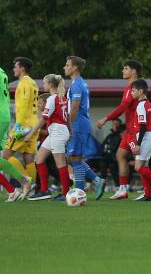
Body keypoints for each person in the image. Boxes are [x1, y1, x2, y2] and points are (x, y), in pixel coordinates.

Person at [97, 60, 142, 200]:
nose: (123, 70)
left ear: (133, 72)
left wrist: (105, 119)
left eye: (126, 68)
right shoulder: (128, 88)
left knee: (139, 163)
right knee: (120, 156)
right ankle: (123, 189)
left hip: (136, 130)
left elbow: (122, 107)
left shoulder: (134, 88)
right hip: (130, 130)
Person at [64, 56, 105, 199]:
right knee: (74, 158)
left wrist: (68, 127)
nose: (65, 67)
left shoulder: (77, 85)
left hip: (78, 124)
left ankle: (82, 189)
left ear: (74, 68)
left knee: (73, 157)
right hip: (82, 123)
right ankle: (93, 182)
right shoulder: (80, 83)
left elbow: (74, 108)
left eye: (68, 65)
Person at [25, 76, 71, 200]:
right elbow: (68, 118)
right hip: (58, 132)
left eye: (45, 83)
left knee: (60, 163)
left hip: (57, 132)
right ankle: (44, 191)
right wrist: (70, 131)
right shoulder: (63, 98)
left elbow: (44, 118)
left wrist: (31, 133)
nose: (43, 85)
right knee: (39, 159)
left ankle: (66, 193)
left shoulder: (51, 98)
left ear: (50, 84)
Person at [3, 57, 39, 201]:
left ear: (22, 68)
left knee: (5, 156)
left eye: (15, 66)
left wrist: (18, 125)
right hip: (33, 124)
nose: (14, 69)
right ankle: (29, 189)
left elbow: (23, 104)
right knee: (28, 158)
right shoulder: (33, 83)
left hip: (23, 126)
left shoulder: (24, 83)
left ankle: (25, 180)